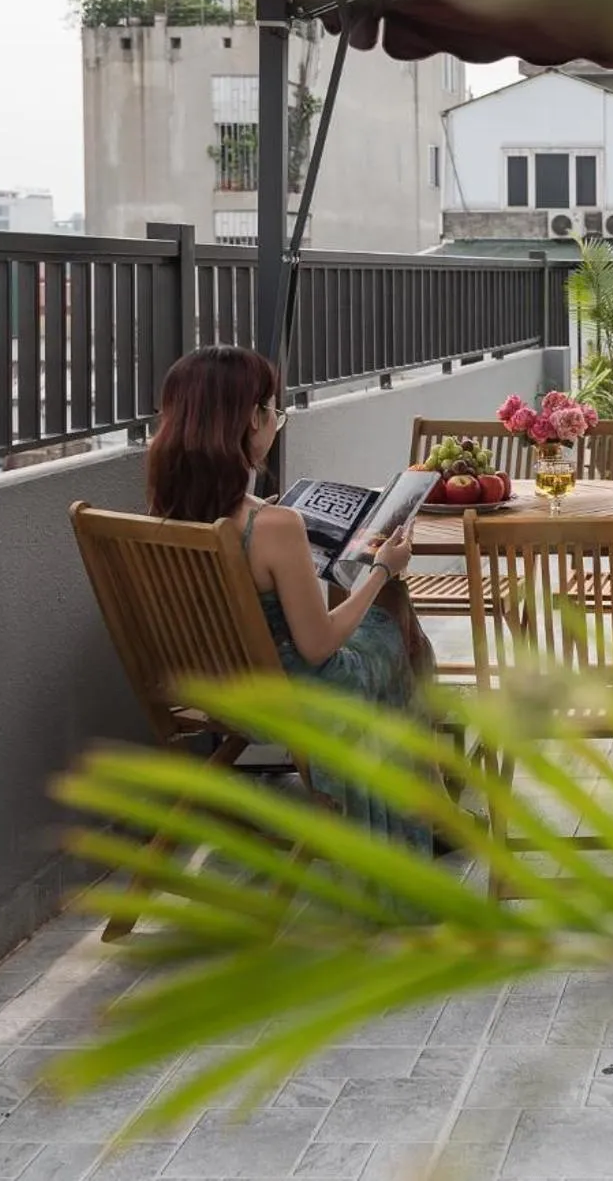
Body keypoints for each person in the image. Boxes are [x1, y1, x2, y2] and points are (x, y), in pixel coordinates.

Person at [144, 344, 439, 853]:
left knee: (393, 621)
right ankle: (427, 799)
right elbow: (319, 646)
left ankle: (429, 796)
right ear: (251, 420)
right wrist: (379, 569)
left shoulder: (164, 516)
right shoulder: (274, 527)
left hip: (215, 685)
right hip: (293, 696)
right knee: (393, 607)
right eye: (273, 411)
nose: (276, 422)